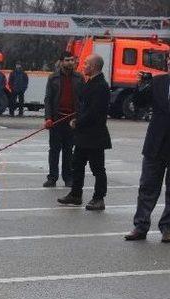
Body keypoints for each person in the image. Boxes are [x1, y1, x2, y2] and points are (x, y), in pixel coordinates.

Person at [124, 56, 170, 243]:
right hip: (155, 144)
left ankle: (167, 228)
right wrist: (140, 86)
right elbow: (140, 103)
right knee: (147, 187)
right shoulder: (158, 82)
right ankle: (140, 226)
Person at [57, 54, 111, 211]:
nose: (83, 66)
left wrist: (77, 122)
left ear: (93, 67)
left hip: (95, 135)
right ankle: (75, 194)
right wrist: (76, 117)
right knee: (77, 165)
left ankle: (98, 198)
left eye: (86, 64)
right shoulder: (89, 82)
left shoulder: (101, 86)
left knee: (97, 168)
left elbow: (94, 112)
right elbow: (83, 107)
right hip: (83, 135)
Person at [43, 51, 84, 188]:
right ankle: (52, 178)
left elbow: (83, 100)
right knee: (54, 150)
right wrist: (48, 118)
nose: (70, 62)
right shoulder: (53, 78)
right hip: (56, 120)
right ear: (61, 62)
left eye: (72, 60)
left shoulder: (79, 78)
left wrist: (79, 117)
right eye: (67, 60)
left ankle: (68, 178)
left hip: (72, 121)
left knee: (68, 150)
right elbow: (48, 99)